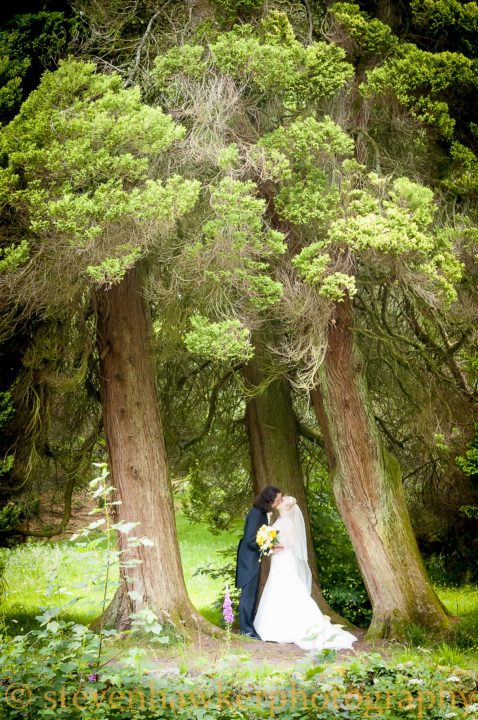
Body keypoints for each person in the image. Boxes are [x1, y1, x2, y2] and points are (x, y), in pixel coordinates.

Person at [254, 495, 357, 650]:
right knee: (277, 586)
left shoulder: (287, 522)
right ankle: (276, 624)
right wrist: (269, 541)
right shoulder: (280, 520)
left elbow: (290, 542)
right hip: (278, 558)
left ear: (287, 507)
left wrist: (270, 541)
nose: (279, 502)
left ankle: (297, 626)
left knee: (287, 586)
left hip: (284, 558)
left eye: (282, 502)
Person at [235, 485, 282, 638]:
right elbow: (250, 540)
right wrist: (269, 547)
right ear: (270, 500)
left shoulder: (261, 512)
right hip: (248, 559)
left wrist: (269, 546)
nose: (278, 502)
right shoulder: (256, 514)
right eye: (278, 499)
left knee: (252, 593)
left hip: (253, 558)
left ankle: (249, 627)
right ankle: (246, 630)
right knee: (248, 594)